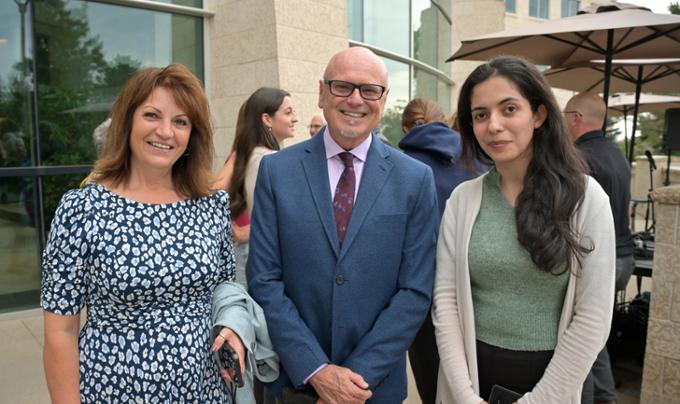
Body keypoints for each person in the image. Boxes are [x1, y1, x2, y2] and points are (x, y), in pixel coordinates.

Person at [41, 64, 249, 403]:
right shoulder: (81, 209)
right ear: (127, 121)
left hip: (206, 393)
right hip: (113, 393)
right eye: (152, 115)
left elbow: (226, 291)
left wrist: (234, 329)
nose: (166, 132)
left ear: (192, 135)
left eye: (181, 121)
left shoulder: (211, 204)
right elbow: (60, 332)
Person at [247, 46, 438, 403]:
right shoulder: (277, 171)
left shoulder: (415, 179)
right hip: (298, 384)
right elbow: (264, 279)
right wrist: (317, 370)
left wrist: (354, 379)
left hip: (374, 389)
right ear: (321, 92)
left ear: (383, 100)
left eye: (369, 90)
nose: (355, 100)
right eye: (342, 87)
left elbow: (415, 291)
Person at [432, 56, 616, 404]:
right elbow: (446, 302)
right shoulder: (463, 199)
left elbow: (592, 316)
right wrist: (465, 395)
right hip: (474, 374)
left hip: (558, 382)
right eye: (480, 115)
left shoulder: (586, 198)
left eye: (509, 109)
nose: (494, 126)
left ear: (539, 114)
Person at [397, 97, 478, 404]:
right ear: (444, 120)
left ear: (406, 127)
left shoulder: (399, 166)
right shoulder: (477, 159)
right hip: (470, 286)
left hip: (419, 289)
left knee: (431, 379)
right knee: (470, 379)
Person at [564, 92, 634, 404]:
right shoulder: (618, 154)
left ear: (576, 118)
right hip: (626, 257)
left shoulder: (578, 158)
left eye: (565, 115)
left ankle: (601, 398)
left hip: (598, 262)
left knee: (584, 340)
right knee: (594, 337)